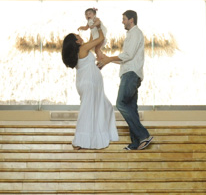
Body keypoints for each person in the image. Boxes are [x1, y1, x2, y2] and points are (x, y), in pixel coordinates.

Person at [97, 10, 152, 150]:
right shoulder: (131, 35)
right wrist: (108, 60)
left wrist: (109, 59)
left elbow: (128, 55)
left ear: (131, 20)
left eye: (124, 19)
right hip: (130, 73)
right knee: (131, 108)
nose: (122, 22)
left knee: (120, 103)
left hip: (131, 75)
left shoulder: (135, 33)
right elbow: (125, 59)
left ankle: (144, 135)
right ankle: (136, 142)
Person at [61, 25, 119, 150]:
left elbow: (92, 41)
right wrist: (98, 27)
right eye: (77, 36)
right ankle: (79, 141)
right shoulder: (83, 48)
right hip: (88, 84)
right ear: (76, 41)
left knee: (107, 107)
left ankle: (102, 135)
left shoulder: (82, 49)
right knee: (87, 111)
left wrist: (92, 25)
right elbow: (100, 39)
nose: (79, 36)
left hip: (90, 84)